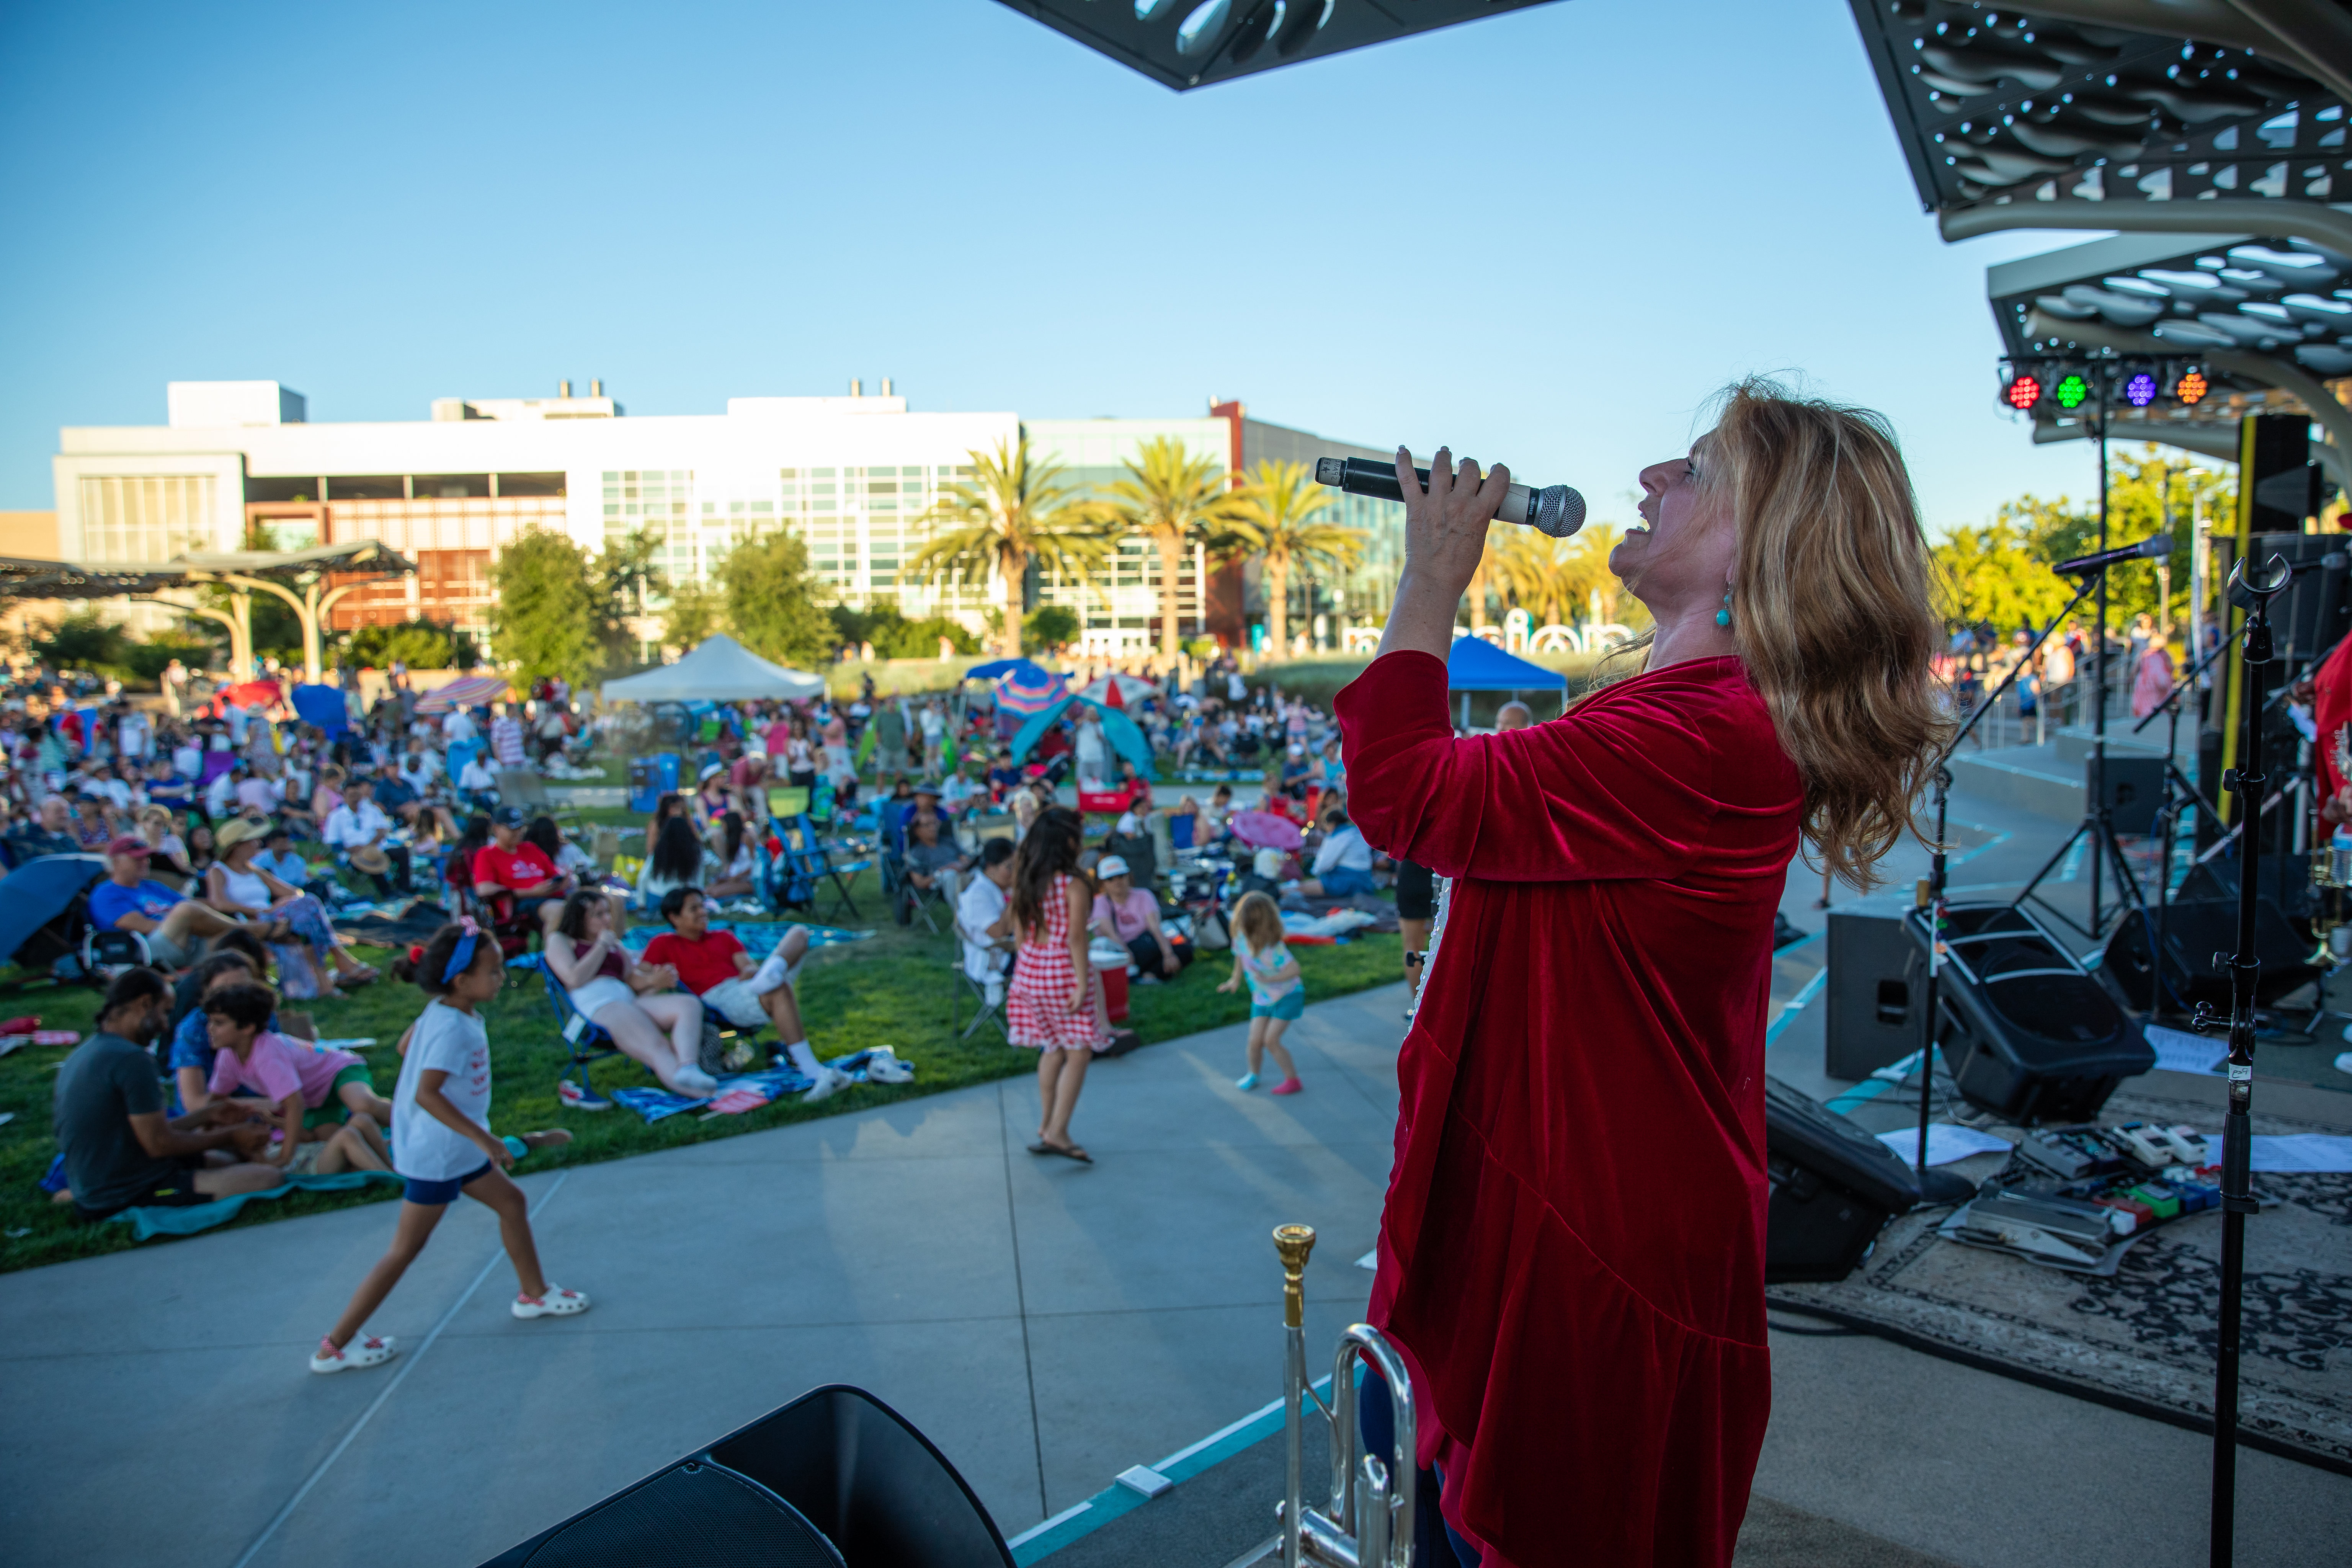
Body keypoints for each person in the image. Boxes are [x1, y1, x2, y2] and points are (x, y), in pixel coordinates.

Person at [1334, 387, 1947, 1565]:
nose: (1654, 474)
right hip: (1550, 1198)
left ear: (1766, 550)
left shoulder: (1709, 734)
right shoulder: (1680, 715)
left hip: (1586, 1242)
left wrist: (1430, 575)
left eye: (1701, 471)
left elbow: (1406, 793)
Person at [312, 920, 589, 1374]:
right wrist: (484, 1137)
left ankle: (533, 1294)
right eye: (495, 971)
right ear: (462, 981)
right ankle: (335, 1346)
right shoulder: (453, 1028)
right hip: (438, 1157)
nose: (502, 978)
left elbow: (406, 1046)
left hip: (452, 1150)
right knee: (404, 1250)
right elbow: (427, 1093)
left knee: (513, 1203)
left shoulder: (445, 1011)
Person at [51, 967, 283, 1220]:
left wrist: (208, 1114)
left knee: (227, 1160)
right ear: (145, 1004)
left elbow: (147, 1130)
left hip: (112, 1173)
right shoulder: (131, 1059)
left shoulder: (89, 1052)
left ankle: (75, 1195)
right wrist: (230, 1136)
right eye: (165, 1013)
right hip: (126, 1190)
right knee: (267, 1177)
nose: (165, 1026)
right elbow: (159, 1144)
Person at [642, 886, 845, 1099]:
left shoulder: (724, 936)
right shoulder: (663, 944)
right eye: (694, 909)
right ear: (674, 917)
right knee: (778, 988)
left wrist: (750, 971)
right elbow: (640, 978)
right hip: (717, 999)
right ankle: (813, 1072)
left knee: (800, 932)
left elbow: (746, 966)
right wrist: (654, 979)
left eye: (703, 906)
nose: (703, 912)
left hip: (747, 985)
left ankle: (772, 974)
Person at [199, 981, 393, 1173]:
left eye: (219, 1023)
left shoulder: (266, 1055)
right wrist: (201, 1142)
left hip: (338, 1069)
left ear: (248, 1027)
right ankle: (388, 1158)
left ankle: (412, 1117)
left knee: (363, 1105)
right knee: (336, 1145)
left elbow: (294, 1104)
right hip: (315, 1098)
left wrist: (285, 1156)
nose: (210, 1029)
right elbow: (215, 1103)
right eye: (210, 1021)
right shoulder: (228, 1056)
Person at [542, 890, 717, 1098]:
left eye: (608, 913)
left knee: (688, 1005)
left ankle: (689, 1067)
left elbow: (631, 979)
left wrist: (654, 980)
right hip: (599, 1006)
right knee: (657, 1045)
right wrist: (602, 946)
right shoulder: (560, 940)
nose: (607, 919)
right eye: (598, 915)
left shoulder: (613, 943)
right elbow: (574, 978)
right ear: (579, 917)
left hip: (628, 999)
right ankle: (703, 1094)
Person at [1004, 807, 1104, 1162]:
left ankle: (1046, 1125)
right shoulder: (1073, 883)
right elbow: (1077, 936)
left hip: (1030, 970)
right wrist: (1081, 983)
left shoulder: (1027, 877)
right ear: (1068, 842)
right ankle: (1059, 1132)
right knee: (1079, 1051)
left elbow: (1018, 931)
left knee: (1053, 1048)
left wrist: (1027, 964)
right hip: (1062, 972)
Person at [89, 835, 242, 968]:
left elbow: (195, 906)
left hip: (182, 940)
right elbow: (144, 926)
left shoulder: (153, 887)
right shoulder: (105, 893)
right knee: (186, 911)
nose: (145, 862)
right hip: (143, 950)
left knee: (233, 942)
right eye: (137, 859)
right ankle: (249, 929)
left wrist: (218, 909)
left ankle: (248, 934)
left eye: (146, 858)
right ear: (116, 862)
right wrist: (190, 925)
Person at [1218, 890, 1303, 1093]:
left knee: (1271, 1040)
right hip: (1262, 997)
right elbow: (1240, 957)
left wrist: (1270, 979)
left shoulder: (1274, 948)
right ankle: (1253, 1074)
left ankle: (1293, 1080)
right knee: (1254, 1041)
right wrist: (1234, 980)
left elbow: (1295, 969)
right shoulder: (1241, 938)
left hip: (1288, 995)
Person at [473, 804, 573, 938]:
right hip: (520, 904)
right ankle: (553, 956)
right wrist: (530, 892)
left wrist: (564, 881)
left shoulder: (530, 848)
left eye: (521, 828)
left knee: (605, 899)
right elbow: (484, 889)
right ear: (496, 829)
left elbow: (555, 874)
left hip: (551, 896)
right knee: (560, 910)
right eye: (512, 829)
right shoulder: (487, 854)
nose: (518, 832)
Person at [1090, 854, 1189, 982]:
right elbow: (1110, 934)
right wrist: (1128, 955)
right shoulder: (1100, 902)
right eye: (1111, 879)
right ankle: (1151, 974)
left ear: (1128, 876)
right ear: (1102, 883)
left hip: (1147, 944)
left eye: (1121, 876)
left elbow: (1155, 927)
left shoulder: (1143, 895)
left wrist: (1168, 954)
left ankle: (1149, 975)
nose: (1117, 882)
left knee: (1184, 950)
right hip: (1120, 949)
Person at [956, 836, 1018, 1004]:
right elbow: (998, 932)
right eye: (1010, 867)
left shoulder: (996, 888)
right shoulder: (978, 894)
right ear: (991, 868)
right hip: (993, 959)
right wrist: (1018, 896)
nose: (1014, 873)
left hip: (1009, 951)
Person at [1298, 805, 1376, 898]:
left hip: (1346, 881)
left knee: (1302, 888)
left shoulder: (1338, 837)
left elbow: (1322, 865)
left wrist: (1314, 871)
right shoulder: (1357, 832)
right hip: (1365, 881)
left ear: (1331, 824)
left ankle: (1281, 891)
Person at [637, 813, 711, 908]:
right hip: (683, 900)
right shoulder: (697, 849)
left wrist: (641, 904)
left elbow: (643, 877)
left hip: (657, 898)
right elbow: (699, 879)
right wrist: (699, 899)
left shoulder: (660, 849)